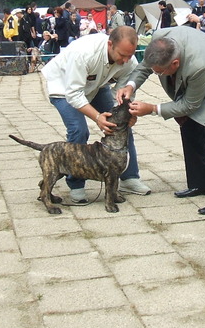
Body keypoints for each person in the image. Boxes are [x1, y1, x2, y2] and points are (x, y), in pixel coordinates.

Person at [117, 26, 205, 216]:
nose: (158, 75)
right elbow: (146, 66)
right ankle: (201, 184)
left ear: (175, 63)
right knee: (189, 127)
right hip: (198, 81)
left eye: (160, 73)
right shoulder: (159, 41)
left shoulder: (199, 64)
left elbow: (190, 104)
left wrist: (153, 109)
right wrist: (131, 85)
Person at [42, 26, 151, 202]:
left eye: (130, 55)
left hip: (97, 85)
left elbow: (125, 91)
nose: (125, 60)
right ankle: (76, 183)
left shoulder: (129, 61)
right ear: (110, 44)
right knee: (79, 130)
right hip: (64, 87)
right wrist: (98, 117)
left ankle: (129, 177)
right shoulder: (84, 53)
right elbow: (74, 94)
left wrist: (126, 114)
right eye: (122, 55)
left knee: (121, 127)